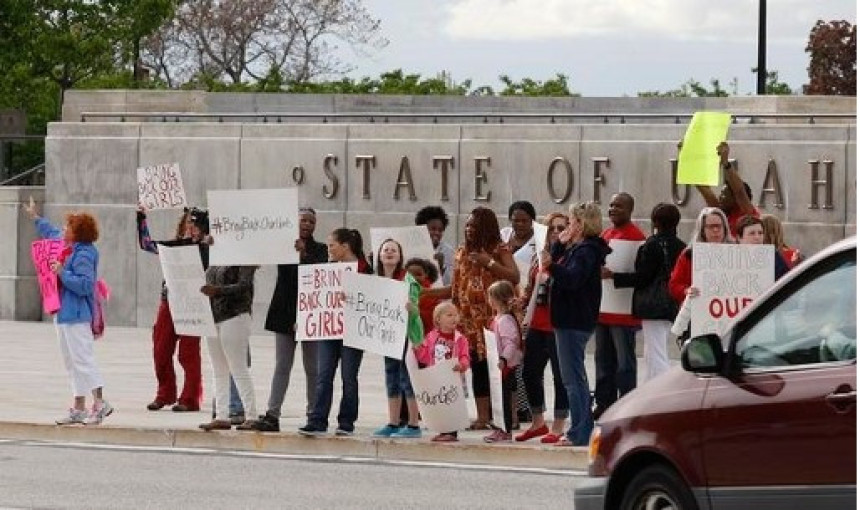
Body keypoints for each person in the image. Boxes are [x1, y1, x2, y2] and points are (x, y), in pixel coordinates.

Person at [422, 207, 520, 430]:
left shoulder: (498, 249)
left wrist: (489, 262)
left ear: (485, 228)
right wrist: (427, 292)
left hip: (493, 320)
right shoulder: (461, 252)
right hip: (469, 323)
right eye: (467, 225)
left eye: (473, 226)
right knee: (477, 368)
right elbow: (455, 288)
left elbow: (514, 276)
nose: (468, 229)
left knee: (500, 369)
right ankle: (483, 417)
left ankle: (509, 416)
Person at [23, 197, 113, 425]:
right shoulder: (67, 246)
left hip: (77, 315)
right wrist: (35, 217)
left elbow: (85, 285)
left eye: (69, 227)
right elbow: (51, 232)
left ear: (78, 233)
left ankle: (101, 404)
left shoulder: (84, 253)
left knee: (83, 360)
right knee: (71, 362)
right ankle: (79, 407)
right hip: (63, 314)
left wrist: (62, 272)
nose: (64, 229)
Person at [540, 202, 610, 447]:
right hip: (570, 319)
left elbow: (572, 279)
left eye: (571, 221)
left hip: (573, 319)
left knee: (572, 378)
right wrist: (559, 244)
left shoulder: (586, 251)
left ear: (581, 224)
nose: (568, 226)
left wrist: (551, 266)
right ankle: (581, 427)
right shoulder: (579, 248)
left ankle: (579, 431)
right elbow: (560, 261)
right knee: (574, 376)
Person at [254, 208, 328, 432]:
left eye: (310, 221)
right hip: (285, 311)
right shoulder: (283, 245)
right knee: (282, 366)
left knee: (312, 368)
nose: (306, 225)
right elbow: (286, 273)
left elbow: (317, 274)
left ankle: (313, 414)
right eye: (303, 220)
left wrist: (304, 254)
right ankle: (272, 414)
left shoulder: (321, 249)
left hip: (310, 313)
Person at [298, 228, 372, 437]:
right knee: (324, 376)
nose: (328, 249)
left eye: (332, 245)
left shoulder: (364, 269)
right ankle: (317, 419)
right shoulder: (327, 270)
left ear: (345, 246)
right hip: (329, 329)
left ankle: (346, 421)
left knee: (349, 377)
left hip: (352, 332)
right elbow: (314, 297)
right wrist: (305, 318)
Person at [136, 206, 210, 413]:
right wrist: (141, 217)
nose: (192, 228)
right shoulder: (174, 246)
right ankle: (165, 393)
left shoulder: (210, 248)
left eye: (196, 224)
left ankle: (190, 398)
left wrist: (207, 244)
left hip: (193, 305)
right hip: (169, 302)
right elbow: (146, 244)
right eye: (189, 223)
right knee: (160, 349)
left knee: (188, 354)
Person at [603, 203, 686, 381]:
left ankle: (662, 390)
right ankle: (651, 389)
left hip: (652, 305)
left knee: (656, 353)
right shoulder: (682, 246)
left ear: (655, 222)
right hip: (673, 303)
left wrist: (613, 276)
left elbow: (642, 277)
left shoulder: (651, 245)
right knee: (653, 350)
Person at [516, 212, 569, 443]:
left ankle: (558, 425)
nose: (556, 233)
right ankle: (538, 421)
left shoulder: (569, 256)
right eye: (552, 229)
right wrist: (522, 301)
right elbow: (531, 286)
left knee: (560, 376)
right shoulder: (540, 257)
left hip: (559, 324)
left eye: (561, 228)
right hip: (537, 322)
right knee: (529, 372)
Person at [593, 192, 646, 419]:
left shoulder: (637, 237)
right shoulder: (605, 233)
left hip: (623, 312)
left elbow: (640, 275)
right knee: (602, 360)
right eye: (611, 205)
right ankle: (604, 403)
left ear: (630, 210)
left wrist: (613, 276)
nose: (613, 209)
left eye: (619, 206)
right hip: (603, 309)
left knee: (624, 363)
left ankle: (626, 405)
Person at [198, 264, 259, 431]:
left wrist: (218, 290)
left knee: (237, 367)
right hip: (213, 317)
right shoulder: (216, 255)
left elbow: (244, 285)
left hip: (235, 315)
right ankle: (221, 416)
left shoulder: (244, 257)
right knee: (218, 369)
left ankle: (252, 415)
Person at [372, 239, 422, 439]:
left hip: (406, 336)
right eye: (386, 250)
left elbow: (416, 311)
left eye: (394, 250)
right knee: (391, 377)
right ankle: (393, 422)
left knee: (407, 379)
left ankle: (413, 424)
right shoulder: (375, 280)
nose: (390, 253)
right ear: (380, 255)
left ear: (400, 256)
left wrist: (411, 307)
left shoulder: (407, 280)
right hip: (388, 336)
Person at [667, 207, 733, 343]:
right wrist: (686, 290)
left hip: (729, 320)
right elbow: (674, 285)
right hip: (699, 320)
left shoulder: (737, 252)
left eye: (719, 226)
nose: (716, 230)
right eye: (711, 227)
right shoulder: (689, 255)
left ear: (725, 228)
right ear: (702, 230)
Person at [500, 200, 537, 426]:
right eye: (515, 220)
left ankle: (525, 407)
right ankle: (509, 406)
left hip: (525, 302)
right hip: (504, 301)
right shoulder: (504, 235)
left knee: (523, 357)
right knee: (507, 355)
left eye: (524, 220)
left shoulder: (538, 241)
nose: (519, 224)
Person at [413, 301, 470, 442]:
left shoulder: (460, 339)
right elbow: (426, 356)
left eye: (456, 315)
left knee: (452, 403)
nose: (454, 318)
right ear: (438, 319)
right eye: (449, 315)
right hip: (437, 377)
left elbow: (465, 356)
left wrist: (462, 365)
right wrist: (417, 350)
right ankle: (443, 430)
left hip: (453, 377)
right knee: (440, 404)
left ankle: (452, 432)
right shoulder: (432, 336)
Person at [483, 280, 523, 443]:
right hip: (497, 366)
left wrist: (503, 359)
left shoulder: (506, 320)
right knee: (498, 398)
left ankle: (505, 429)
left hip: (504, 366)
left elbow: (511, 342)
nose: (489, 300)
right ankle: (500, 427)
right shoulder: (498, 317)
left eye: (491, 297)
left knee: (504, 399)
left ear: (499, 299)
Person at [690, 141, 759, 235]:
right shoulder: (721, 214)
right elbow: (704, 189)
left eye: (724, 194)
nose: (720, 197)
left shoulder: (748, 214)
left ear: (735, 199)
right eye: (721, 193)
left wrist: (726, 163)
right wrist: (687, 158)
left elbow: (739, 191)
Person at [735, 215, 789, 279]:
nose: (757, 237)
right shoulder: (729, 258)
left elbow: (785, 280)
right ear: (739, 238)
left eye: (760, 233)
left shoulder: (773, 256)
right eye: (752, 233)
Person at [415, 206, 455, 286]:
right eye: (433, 229)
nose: (437, 233)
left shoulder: (448, 251)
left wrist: (441, 267)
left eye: (440, 230)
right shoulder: (414, 248)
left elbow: (450, 282)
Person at [405, 257, 440, 334]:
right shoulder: (401, 291)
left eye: (418, 274)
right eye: (410, 275)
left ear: (426, 275)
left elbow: (433, 320)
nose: (414, 278)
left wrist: (416, 312)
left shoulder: (433, 297)